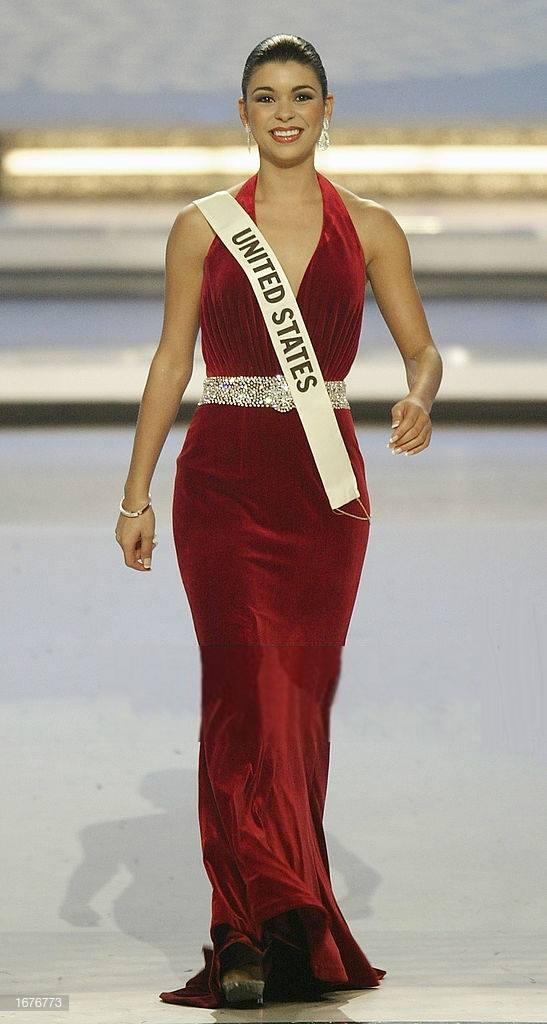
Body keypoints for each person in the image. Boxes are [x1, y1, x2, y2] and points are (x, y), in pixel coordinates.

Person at [115, 33, 442, 1010]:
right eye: (266, 96)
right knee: (239, 693)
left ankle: (294, 921)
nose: (284, 112)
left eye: (301, 95)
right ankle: (239, 927)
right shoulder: (201, 226)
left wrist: (420, 394)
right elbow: (171, 361)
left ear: (327, 108)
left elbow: (421, 350)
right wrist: (135, 493)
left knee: (295, 703)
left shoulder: (371, 228)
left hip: (323, 489)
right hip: (220, 478)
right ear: (244, 113)